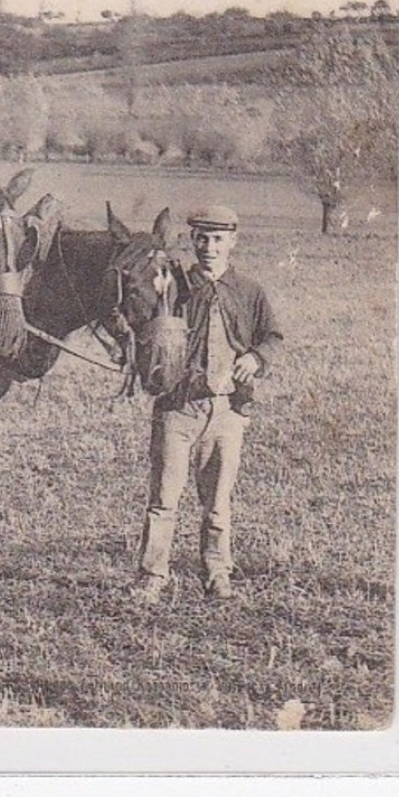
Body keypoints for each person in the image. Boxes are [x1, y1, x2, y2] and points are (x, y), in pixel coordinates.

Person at [132, 204, 283, 603]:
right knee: (163, 500)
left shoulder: (249, 291)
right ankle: (152, 576)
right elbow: (143, 312)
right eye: (201, 238)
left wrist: (256, 358)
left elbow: (272, 336)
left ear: (232, 241)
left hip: (227, 410)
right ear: (192, 241)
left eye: (217, 239)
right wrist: (156, 286)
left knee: (217, 503)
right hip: (178, 408)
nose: (209, 247)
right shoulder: (175, 286)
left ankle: (218, 574)